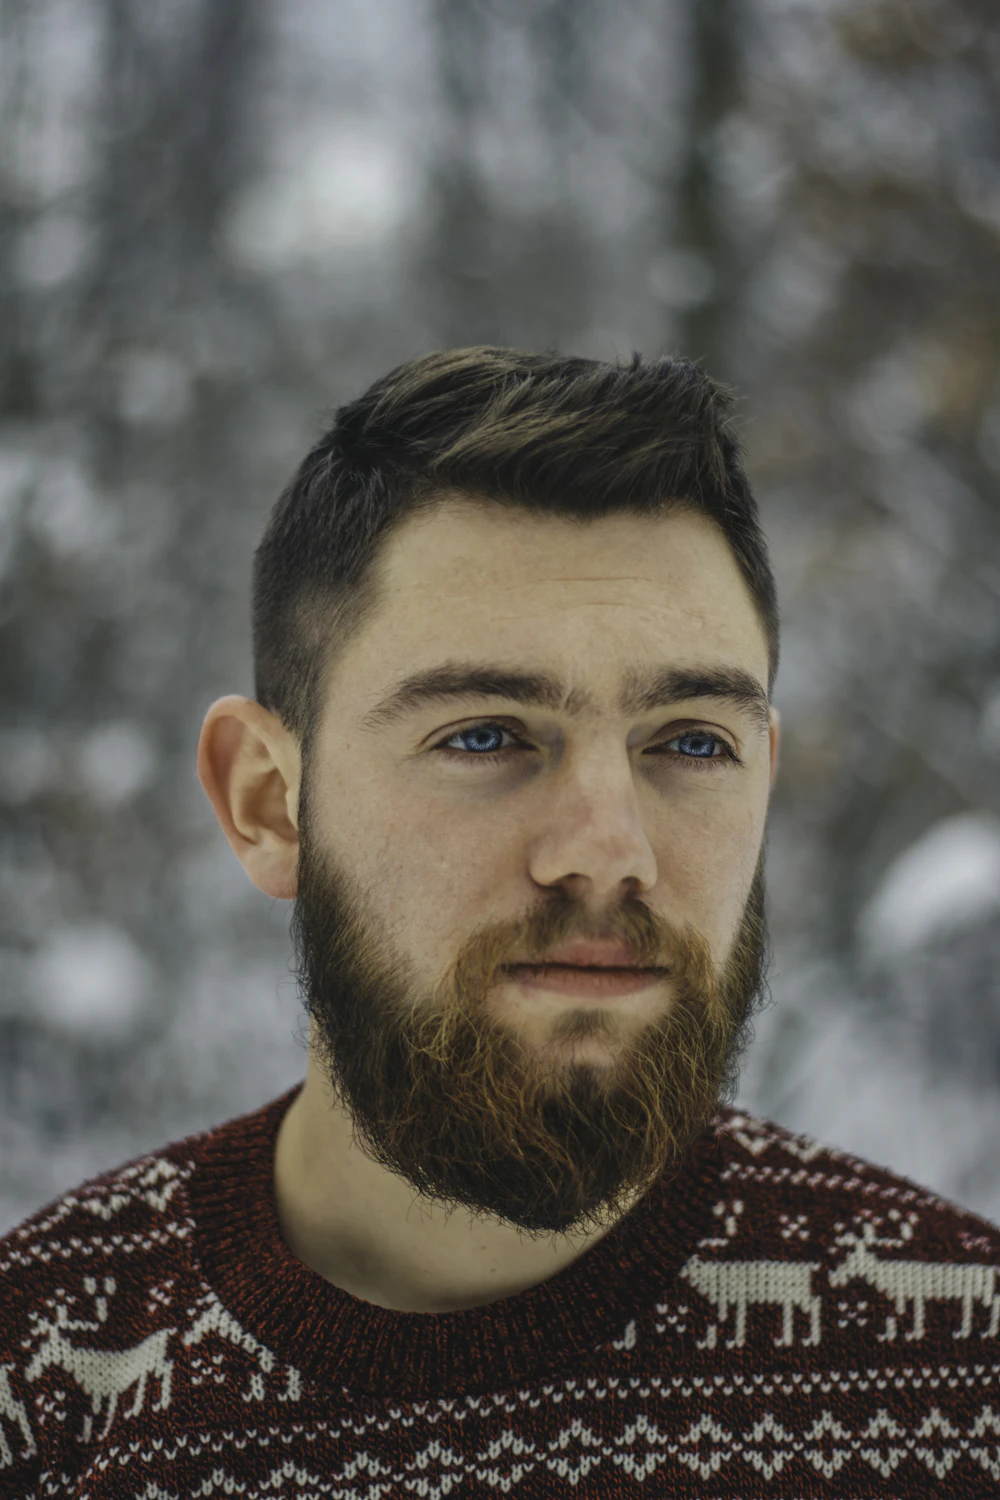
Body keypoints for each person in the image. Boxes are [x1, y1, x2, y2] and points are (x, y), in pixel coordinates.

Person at [1, 347, 997, 1498]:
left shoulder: (960, 1369)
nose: (607, 851)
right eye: (484, 735)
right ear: (270, 802)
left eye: (688, 741)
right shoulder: (44, 1388)